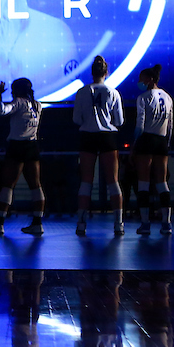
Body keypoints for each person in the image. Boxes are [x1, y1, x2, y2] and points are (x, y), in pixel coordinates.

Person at [0, 78, 46, 235]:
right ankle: (37, 223)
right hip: (32, 146)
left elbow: (1, 111)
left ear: (18, 90)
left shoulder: (18, 102)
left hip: (17, 147)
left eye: (13, 89)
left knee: (8, 184)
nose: (11, 92)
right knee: (36, 185)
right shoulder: (37, 105)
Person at [72, 55, 124, 236]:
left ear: (91, 73)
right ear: (106, 73)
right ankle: (118, 224)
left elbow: (76, 119)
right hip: (108, 137)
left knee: (86, 182)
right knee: (113, 182)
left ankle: (81, 223)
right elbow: (119, 120)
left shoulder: (82, 92)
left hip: (87, 136)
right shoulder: (114, 92)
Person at [132, 64, 174, 235]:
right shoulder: (168, 97)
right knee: (162, 183)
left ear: (149, 79)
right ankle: (167, 223)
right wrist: (167, 143)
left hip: (147, 140)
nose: (139, 81)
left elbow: (140, 125)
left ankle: (145, 223)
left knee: (143, 183)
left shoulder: (143, 97)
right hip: (162, 141)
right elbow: (170, 125)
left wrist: (135, 144)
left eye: (141, 78)